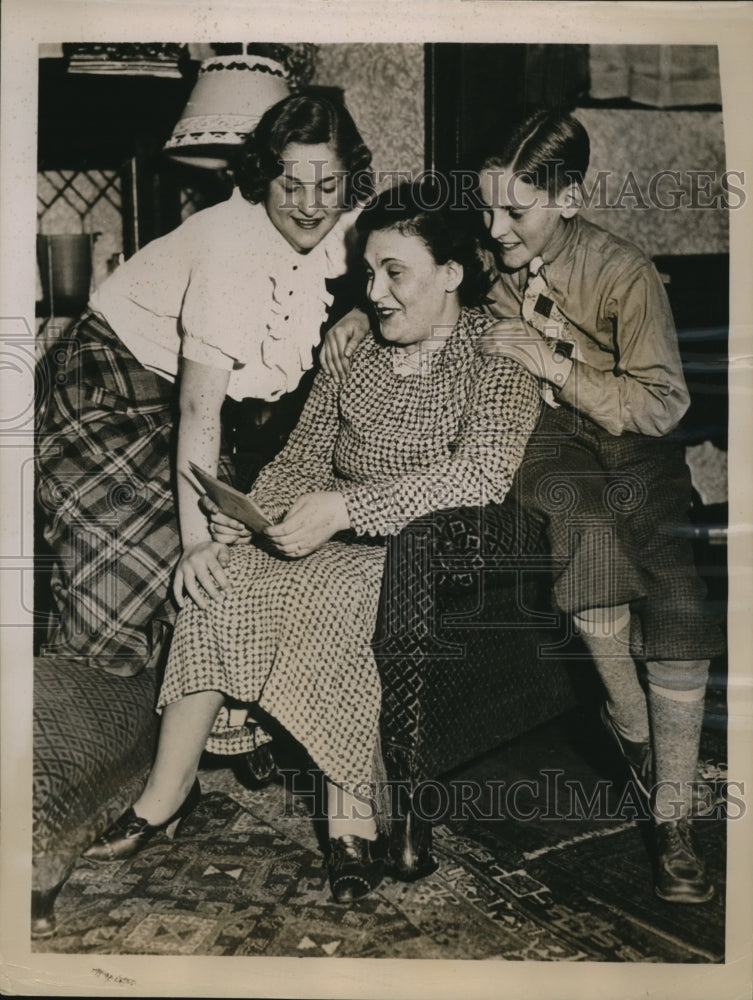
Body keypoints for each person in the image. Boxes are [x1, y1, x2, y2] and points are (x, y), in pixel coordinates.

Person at [81, 180, 542, 905]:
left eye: (396, 273)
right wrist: (249, 514)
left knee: (332, 590)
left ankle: (347, 819)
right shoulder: (356, 351)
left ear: (451, 273)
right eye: (369, 273)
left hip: (424, 546)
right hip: (330, 524)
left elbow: (479, 475)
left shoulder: (499, 352)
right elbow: (302, 459)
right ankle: (165, 795)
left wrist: (347, 508)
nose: (376, 292)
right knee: (225, 575)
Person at [321, 111, 725, 906]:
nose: (496, 229)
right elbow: (423, 278)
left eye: (516, 211)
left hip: (631, 438)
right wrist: (359, 315)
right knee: (581, 529)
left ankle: (671, 814)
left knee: (676, 587)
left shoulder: (623, 273)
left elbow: (663, 406)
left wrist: (554, 363)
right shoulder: (490, 257)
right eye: (487, 209)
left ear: (568, 198)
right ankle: (630, 720)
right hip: (546, 441)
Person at [35, 93, 373, 678]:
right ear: (264, 178)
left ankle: (210, 694)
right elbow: (198, 409)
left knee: (237, 552)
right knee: (132, 569)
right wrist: (195, 542)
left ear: (349, 181)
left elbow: (411, 243)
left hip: (183, 402)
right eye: (291, 185)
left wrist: (364, 308)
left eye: (328, 186)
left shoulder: (342, 229)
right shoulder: (231, 253)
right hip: (106, 383)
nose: (311, 206)